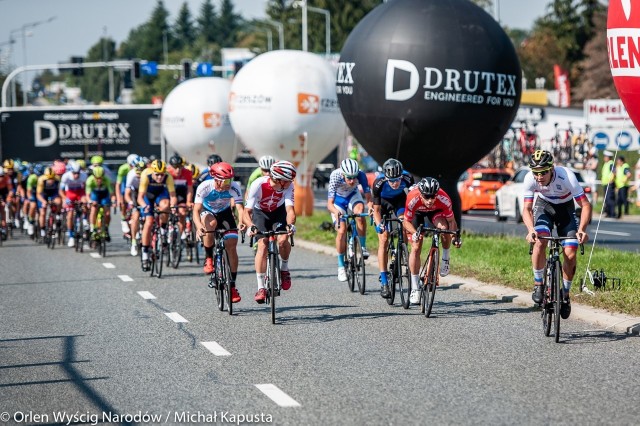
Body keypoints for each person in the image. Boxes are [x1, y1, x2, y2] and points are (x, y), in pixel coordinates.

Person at [523, 150, 591, 320]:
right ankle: (538, 284)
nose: (539, 177)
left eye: (543, 172)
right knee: (540, 240)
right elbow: (527, 209)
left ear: (552, 168)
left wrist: (582, 229)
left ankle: (565, 295)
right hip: (544, 207)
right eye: (536, 173)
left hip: (565, 209)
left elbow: (585, 205)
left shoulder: (566, 176)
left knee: (570, 252)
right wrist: (531, 229)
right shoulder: (529, 179)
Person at [244, 160, 297, 304]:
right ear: (278, 180)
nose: (291, 182)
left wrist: (290, 225)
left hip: (278, 212)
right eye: (288, 180)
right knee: (262, 244)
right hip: (260, 212)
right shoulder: (258, 184)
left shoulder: (288, 186)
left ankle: (284, 269)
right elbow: (246, 212)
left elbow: (290, 210)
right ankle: (261, 287)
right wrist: (250, 226)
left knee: (283, 239)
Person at [193, 162, 246, 303]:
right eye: (226, 180)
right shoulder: (205, 187)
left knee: (232, 244)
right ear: (216, 179)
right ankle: (209, 258)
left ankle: (232, 286)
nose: (230, 183)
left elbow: (240, 209)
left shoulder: (234, 187)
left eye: (231, 179)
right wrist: (199, 227)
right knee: (210, 224)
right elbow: (196, 211)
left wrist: (241, 222)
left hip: (225, 213)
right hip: (207, 211)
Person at [403, 177, 461, 305]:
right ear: (420, 193)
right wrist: (414, 233)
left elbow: (452, 221)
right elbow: (406, 221)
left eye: (432, 197)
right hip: (417, 213)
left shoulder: (443, 198)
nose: (429, 200)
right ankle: (415, 288)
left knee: (444, 228)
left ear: (437, 194)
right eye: (426, 197)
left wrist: (455, 237)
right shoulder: (413, 197)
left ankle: (445, 258)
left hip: (436, 212)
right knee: (416, 246)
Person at [371, 158, 414, 298]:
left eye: (397, 180)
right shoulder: (378, 183)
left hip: (399, 202)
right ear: (386, 177)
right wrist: (379, 225)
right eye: (391, 180)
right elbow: (376, 210)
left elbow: (413, 200)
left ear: (402, 175)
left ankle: (401, 250)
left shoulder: (408, 178)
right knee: (383, 238)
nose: (395, 183)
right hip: (382, 204)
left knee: (403, 224)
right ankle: (384, 281)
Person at [327, 158, 373, 282]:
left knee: (360, 214)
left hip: (353, 196)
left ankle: (362, 247)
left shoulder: (361, 175)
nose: (352, 181)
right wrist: (336, 212)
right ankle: (341, 266)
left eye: (354, 177)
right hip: (338, 201)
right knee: (341, 231)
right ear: (342, 174)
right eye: (349, 178)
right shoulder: (335, 176)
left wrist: (370, 208)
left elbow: (368, 197)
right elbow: (329, 204)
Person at [137, 159, 177, 270]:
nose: (160, 177)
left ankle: (163, 230)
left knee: (166, 205)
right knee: (149, 222)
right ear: (152, 172)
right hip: (147, 196)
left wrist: (173, 207)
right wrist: (145, 206)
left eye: (162, 175)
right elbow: (140, 197)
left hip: (160, 194)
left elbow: (173, 196)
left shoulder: (168, 176)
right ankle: (145, 254)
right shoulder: (146, 174)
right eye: (157, 175)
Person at [59, 162, 88, 247]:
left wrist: (86, 197)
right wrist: (65, 199)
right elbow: (61, 191)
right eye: (74, 173)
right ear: (71, 172)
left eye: (77, 173)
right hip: (70, 193)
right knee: (70, 215)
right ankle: (71, 237)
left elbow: (86, 188)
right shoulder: (66, 176)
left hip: (80, 192)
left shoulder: (83, 175)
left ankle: (85, 219)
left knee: (85, 202)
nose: (76, 175)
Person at [167, 154, 194, 241]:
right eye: (175, 167)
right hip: (169, 193)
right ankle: (167, 229)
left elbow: (190, 189)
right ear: (171, 167)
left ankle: (181, 233)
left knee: (182, 212)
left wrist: (189, 201)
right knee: (166, 208)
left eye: (180, 167)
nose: (178, 170)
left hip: (181, 193)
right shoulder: (167, 172)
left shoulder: (187, 173)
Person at [124, 160, 146, 256]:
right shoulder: (131, 175)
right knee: (135, 216)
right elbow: (127, 193)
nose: (139, 177)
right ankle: (133, 242)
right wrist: (130, 202)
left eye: (140, 176)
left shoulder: (147, 174)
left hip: (145, 191)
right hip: (135, 192)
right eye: (138, 176)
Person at [85, 166, 113, 241]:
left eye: (100, 178)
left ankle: (106, 228)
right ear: (93, 176)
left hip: (104, 195)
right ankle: (93, 228)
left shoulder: (107, 180)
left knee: (107, 213)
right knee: (93, 209)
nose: (99, 180)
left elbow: (111, 193)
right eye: (97, 178)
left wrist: (113, 200)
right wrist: (90, 201)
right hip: (95, 195)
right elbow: (87, 196)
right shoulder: (89, 180)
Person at [116, 154, 139, 237]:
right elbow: (118, 184)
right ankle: (123, 220)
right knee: (123, 202)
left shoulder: (138, 169)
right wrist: (119, 198)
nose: (134, 168)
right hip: (125, 183)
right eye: (132, 166)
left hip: (135, 183)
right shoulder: (123, 168)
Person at [36, 166, 62, 240]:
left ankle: (57, 214)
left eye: (52, 179)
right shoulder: (41, 180)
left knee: (59, 201)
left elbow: (59, 192)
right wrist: (44, 201)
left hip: (53, 193)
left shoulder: (57, 179)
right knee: (43, 212)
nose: (50, 180)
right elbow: (38, 194)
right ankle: (42, 229)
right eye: (49, 179)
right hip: (43, 194)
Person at [601, 150, 616, 218]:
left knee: (610, 199)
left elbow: (614, 172)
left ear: (608, 157)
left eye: (605, 156)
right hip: (605, 183)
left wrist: (611, 179)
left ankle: (612, 213)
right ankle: (608, 213)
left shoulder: (610, 163)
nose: (604, 157)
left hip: (609, 184)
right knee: (606, 199)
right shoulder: (606, 164)